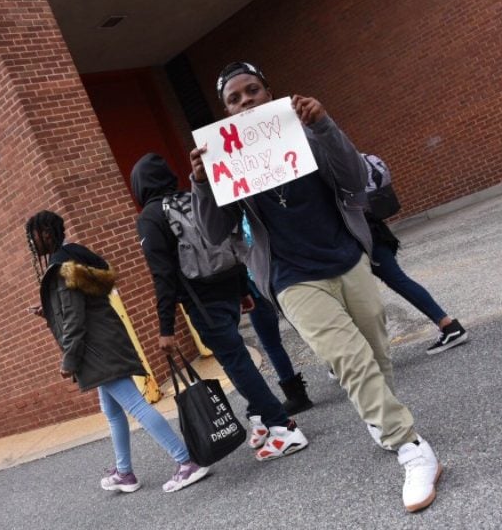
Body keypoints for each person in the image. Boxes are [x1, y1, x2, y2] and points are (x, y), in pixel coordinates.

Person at [190, 61, 443, 513]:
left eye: (253, 91)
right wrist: (201, 184)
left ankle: (379, 417)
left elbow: (355, 181)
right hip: (291, 278)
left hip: (346, 259)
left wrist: (325, 126)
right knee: (348, 360)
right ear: (227, 113)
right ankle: (411, 448)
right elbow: (213, 233)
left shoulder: (305, 133)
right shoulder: (227, 163)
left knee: (375, 353)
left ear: (269, 93)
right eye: (235, 98)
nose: (247, 101)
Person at [129, 153, 309, 461]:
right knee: (239, 358)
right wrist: (242, 290)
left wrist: (166, 329)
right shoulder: (192, 198)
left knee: (236, 361)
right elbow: (228, 239)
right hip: (229, 288)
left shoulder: (151, 217)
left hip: (202, 303)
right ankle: (262, 418)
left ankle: (283, 428)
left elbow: (163, 276)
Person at [25, 210, 209, 493]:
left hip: (96, 350)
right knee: (111, 411)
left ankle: (186, 463)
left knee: (135, 405)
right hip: (105, 342)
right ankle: (125, 473)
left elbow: (74, 319)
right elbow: (80, 307)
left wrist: (69, 360)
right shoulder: (75, 258)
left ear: (46, 234)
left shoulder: (62, 268)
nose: (31, 242)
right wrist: (48, 313)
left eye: (33, 235)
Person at [360, 154, 468, 355]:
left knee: (352, 294)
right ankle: (448, 326)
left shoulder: (322, 160)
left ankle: (350, 354)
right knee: (399, 280)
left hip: (354, 237)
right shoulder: (350, 154)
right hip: (373, 229)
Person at [241, 217, 313, 414]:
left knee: (271, 342)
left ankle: (296, 394)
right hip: (283, 269)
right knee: (305, 323)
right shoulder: (255, 203)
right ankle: (336, 365)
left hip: (254, 280)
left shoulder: (224, 213)